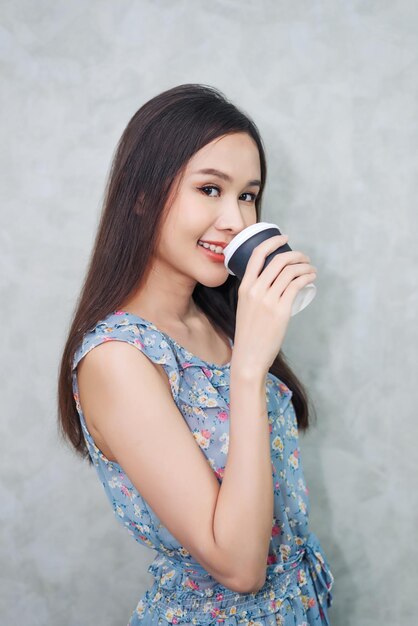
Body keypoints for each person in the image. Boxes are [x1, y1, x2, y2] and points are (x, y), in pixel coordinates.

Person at [57, 83, 334, 626]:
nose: (236, 219)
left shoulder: (217, 320)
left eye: (248, 195)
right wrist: (249, 368)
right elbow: (239, 567)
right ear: (141, 196)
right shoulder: (117, 357)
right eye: (210, 190)